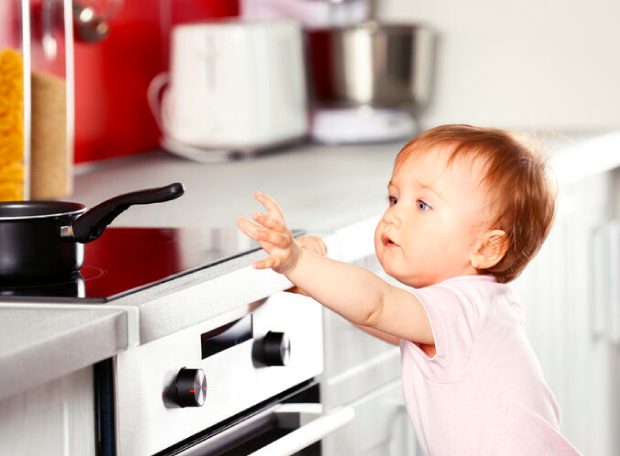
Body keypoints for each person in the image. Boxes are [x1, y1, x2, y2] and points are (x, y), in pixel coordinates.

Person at [237, 124, 581, 455]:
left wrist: (298, 263)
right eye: (393, 198)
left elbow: (378, 305)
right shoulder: (482, 304)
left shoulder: (458, 307)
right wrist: (317, 284)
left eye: (422, 205)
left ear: (486, 248)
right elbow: (387, 321)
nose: (393, 216)